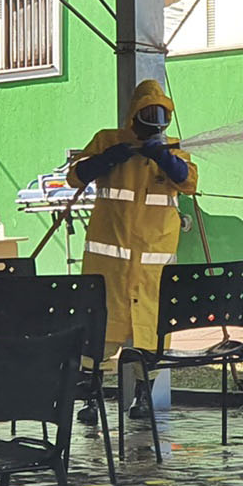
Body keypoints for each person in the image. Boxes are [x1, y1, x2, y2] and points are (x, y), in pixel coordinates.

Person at [68, 78, 198, 421]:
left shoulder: (172, 149)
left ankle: (143, 397)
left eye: (160, 118)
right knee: (99, 330)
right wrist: (107, 159)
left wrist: (165, 159)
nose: (153, 125)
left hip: (152, 265)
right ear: (133, 117)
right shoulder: (107, 141)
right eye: (147, 116)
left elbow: (188, 180)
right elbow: (76, 176)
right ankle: (90, 398)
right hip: (108, 264)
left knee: (149, 332)